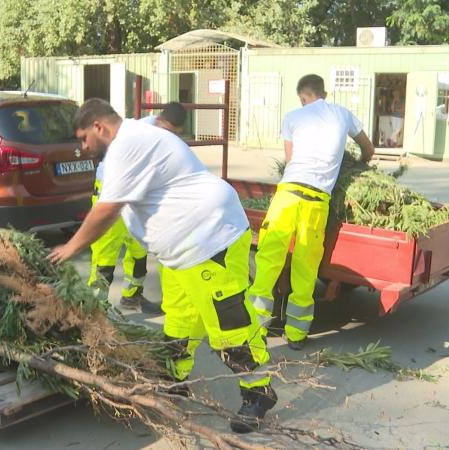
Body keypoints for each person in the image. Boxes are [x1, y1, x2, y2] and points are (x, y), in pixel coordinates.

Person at [49, 99, 276, 433]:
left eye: (84, 138)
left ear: (99, 127)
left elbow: (107, 210)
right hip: (180, 252)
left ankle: (259, 392)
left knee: (230, 324)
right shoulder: (134, 135)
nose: (83, 148)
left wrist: (70, 247)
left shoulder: (127, 146)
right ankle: (175, 379)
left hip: (210, 238)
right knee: (181, 321)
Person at [249, 74, 375, 350]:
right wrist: (358, 166)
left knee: (269, 260)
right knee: (306, 267)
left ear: (303, 97)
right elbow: (368, 148)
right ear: (324, 93)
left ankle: (254, 331)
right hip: (317, 202)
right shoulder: (343, 114)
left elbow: (290, 160)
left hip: (288, 196)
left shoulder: (294, 117)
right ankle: (296, 335)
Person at [89, 102, 187, 314]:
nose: (173, 137)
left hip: (134, 199)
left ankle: (132, 297)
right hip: (110, 195)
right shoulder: (140, 133)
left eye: (177, 134)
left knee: (139, 251)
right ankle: (96, 312)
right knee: (105, 258)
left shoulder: (160, 135)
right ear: (161, 121)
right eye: (172, 131)